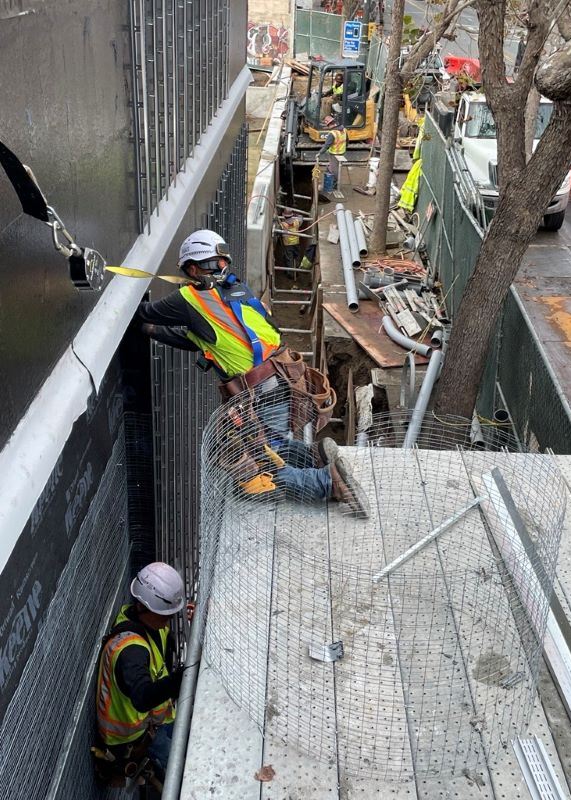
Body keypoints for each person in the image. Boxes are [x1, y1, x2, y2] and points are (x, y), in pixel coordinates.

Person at [136, 230, 369, 517]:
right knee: (267, 441)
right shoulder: (235, 291)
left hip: (262, 390)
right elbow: (199, 337)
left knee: (261, 461)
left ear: (193, 268)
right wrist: (153, 333)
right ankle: (312, 456)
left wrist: (137, 318)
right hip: (284, 378)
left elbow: (145, 312)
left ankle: (329, 483)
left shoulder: (190, 299)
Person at [94, 563, 185, 788]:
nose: (170, 618)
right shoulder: (130, 651)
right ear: (145, 607)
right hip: (132, 738)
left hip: (157, 722)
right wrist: (180, 680)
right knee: (184, 774)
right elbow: (142, 697)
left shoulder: (150, 623)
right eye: (165, 614)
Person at [316, 116, 348, 188]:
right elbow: (347, 141)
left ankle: (334, 185)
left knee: (334, 170)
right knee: (332, 167)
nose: (328, 127)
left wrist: (319, 153)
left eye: (328, 125)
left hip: (334, 154)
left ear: (331, 124)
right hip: (342, 152)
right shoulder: (344, 130)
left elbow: (326, 145)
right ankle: (329, 180)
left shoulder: (332, 133)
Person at [280, 207, 302, 274]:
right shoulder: (296, 222)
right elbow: (301, 217)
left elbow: (278, 227)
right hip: (296, 242)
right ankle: (298, 270)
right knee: (297, 256)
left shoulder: (283, 225)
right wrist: (296, 215)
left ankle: (290, 274)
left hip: (288, 244)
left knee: (289, 258)